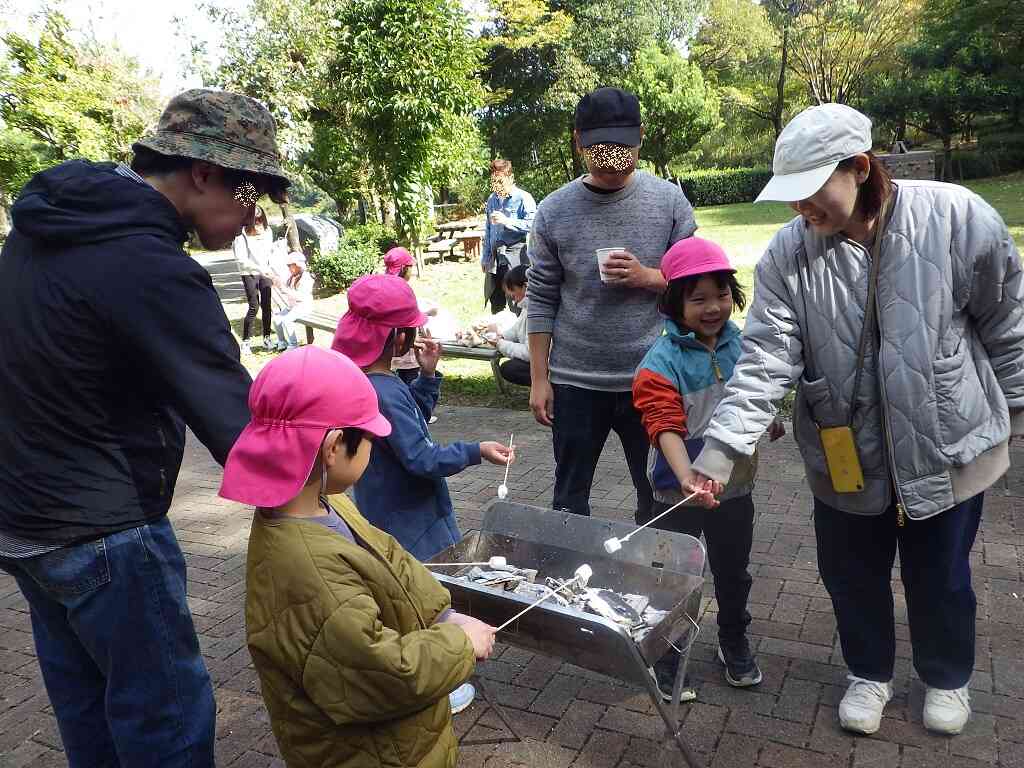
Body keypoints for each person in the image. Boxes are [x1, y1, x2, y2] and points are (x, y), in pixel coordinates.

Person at [688, 103, 1024, 737]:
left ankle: (947, 678)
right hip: (843, 450)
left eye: (810, 194)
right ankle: (868, 672)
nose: (798, 212)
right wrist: (720, 450)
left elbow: (1008, 321)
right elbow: (765, 358)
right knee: (849, 575)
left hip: (946, 441)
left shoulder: (956, 216)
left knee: (942, 575)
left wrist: (1020, 408)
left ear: (860, 168)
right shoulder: (790, 252)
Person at [0, 89, 290, 767]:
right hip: (104, 539)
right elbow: (237, 424)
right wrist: (322, 504)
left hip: (23, 526)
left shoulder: (48, 228)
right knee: (165, 727)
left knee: (90, 714)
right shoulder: (150, 266)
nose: (253, 217)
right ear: (202, 172)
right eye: (252, 194)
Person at [219, 346, 497, 768]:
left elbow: (391, 556)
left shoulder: (327, 502)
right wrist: (459, 644)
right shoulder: (309, 571)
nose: (373, 447)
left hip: (401, 742)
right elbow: (379, 673)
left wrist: (443, 614)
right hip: (373, 753)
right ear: (334, 447)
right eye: (369, 438)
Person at [331, 274, 513, 713]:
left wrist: (428, 377)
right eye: (409, 329)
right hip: (414, 517)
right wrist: (476, 451)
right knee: (427, 595)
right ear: (395, 335)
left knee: (405, 591)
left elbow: (409, 422)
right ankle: (438, 684)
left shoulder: (365, 381)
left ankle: (425, 671)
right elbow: (420, 457)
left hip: (383, 510)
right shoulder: (385, 390)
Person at [527, 86, 697, 521]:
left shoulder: (668, 201)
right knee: (569, 500)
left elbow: (697, 287)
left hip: (653, 377)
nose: (612, 157)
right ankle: (566, 580)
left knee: (659, 498)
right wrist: (540, 379)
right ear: (578, 141)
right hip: (576, 382)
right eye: (600, 146)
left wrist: (649, 277)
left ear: (640, 136)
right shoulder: (553, 210)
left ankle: (652, 580)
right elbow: (542, 296)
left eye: (622, 145)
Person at [633, 237, 784, 701]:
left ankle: (733, 640)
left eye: (720, 295)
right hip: (675, 493)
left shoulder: (743, 346)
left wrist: (770, 422)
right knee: (672, 577)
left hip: (734, 490)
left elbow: (755, 398)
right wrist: (685, 477)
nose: (712, 307)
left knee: (733, 571)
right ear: (674, 303)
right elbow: (664, 426)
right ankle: (668, 651)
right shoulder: (660, 361)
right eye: (698, 299)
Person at [482, 159, 536, 314]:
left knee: (516, 300)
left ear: (510, 178)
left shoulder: (523, 198)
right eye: (494, 182)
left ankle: (520, 334)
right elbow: (488, 228)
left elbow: (533, 224)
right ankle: (498, 335)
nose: (497, 186)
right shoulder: (492, 199)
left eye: (500, 181)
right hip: (495, 256)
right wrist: (485, 257)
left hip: (516, 254)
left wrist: (507, 221)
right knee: (496, 299)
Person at [233, 203, 276, 353]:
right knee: (254, 306)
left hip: (265, 271)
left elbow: (270, 253)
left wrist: (272, 269)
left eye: (260, 220)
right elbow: (241, 259)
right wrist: (260, 269)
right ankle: (246, 342)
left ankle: (267, 338)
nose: (258, 224)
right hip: (249, 272)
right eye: (255, 221)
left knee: (267, 306)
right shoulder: (241, 236)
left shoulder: (268, 231)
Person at [485, 264, 531, 386]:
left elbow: (529, 353)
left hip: (548, 363)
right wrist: (502, 336)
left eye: (514, 295)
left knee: (510, 369)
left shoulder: (536, 310)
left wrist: (500, 343)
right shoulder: (526, 307)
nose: (514, 301)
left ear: (525, 287)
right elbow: (517, 329)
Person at [270, 251, 314, 350]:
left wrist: (285, 290)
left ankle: (293, 345)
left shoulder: (306, 278)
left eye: (291, 265)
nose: (289, 268)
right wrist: (276, 281)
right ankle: (282, 341)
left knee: (287, 320)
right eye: (288, 266)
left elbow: (300, 297)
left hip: (304, 306)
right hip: (293, 307)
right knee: (276, 318)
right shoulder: (292, 277)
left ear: (298, 265)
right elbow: (285, 288)